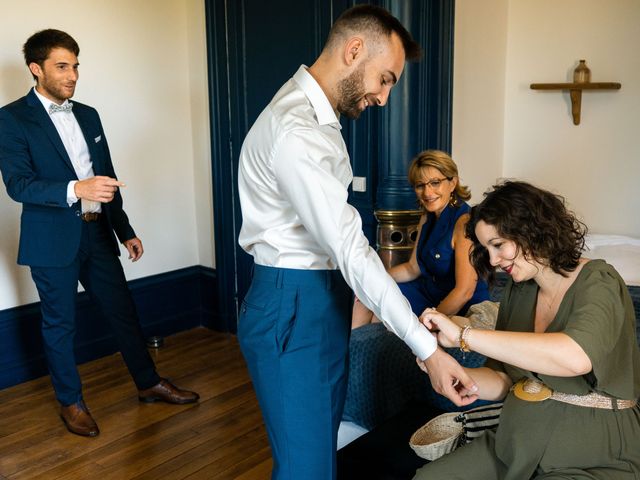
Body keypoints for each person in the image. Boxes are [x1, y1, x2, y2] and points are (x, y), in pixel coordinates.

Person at [237, 5, 477, 479]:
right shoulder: (296, 130)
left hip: (319, 301)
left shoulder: (319, 122)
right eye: (385, 79)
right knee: (305, 468)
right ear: (353, 50)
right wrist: (428, 352)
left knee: (322, 455)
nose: (385, 97)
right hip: (293, 304)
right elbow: (350, 250)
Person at [0, 29, 199, 438]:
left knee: (123, 312)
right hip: (51, 241)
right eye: (62, 66)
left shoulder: (88, 114)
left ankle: (148, 383)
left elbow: (105, 177)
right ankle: (70, 402)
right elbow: (18, 185)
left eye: (75, 65)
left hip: (97, 234)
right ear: (36, 69)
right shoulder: (11, 118)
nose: (72, 75)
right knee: (60, 326)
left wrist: (124, 229)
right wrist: (77, 189)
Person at [415, 181, 640, 479]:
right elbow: (504, 379)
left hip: (593, 452)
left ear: (531, 229)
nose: (493, 260)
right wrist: (448, 369)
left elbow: (575, 357)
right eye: (486, 249)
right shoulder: (519, 290)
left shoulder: (599, 281)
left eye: (498, 245)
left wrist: (464, 336)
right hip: (516, 442)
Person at [352, 149, 490, 329]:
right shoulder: (427, 216)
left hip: (458, 304)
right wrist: (371, 278)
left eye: (435, 183)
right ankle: (350, 351)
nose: (427, 192)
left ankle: (360, 349)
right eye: (420, 185)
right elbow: (412, 268)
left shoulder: (464, 223)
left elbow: (464, 291)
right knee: (368, 294)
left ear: (453, 182)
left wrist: (428, 321)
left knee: (380, 312)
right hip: (427, 293)